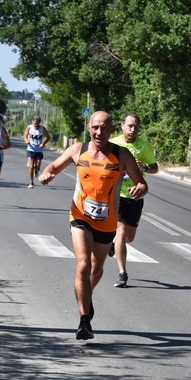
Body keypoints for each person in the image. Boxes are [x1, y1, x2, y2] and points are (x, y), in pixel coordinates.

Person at [39, 110, 148, 340]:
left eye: (104, 128)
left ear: (111, 130)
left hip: (107, 222)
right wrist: (46, 174)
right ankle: (84, 320)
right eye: (95, 127)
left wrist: (140, 188)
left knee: (96, 269)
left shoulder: (122, 154)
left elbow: (141, 182)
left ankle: (86, 297)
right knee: (82, 265)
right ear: (89, 128)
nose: (99, 132)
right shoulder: (78, 149)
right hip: (80, 215)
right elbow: (53, 166)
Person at [109, 113, 158, 287]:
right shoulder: (113, 144)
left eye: (136, 126)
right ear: (122, 126)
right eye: (129, 125)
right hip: (117, 195)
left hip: (136, 195)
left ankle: (114, 243)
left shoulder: (144, 146)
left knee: (129, 237)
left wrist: (143, 167)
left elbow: (154, 168)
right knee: (120, 232)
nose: (133, 129)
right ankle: (122, 273)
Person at [24, 116, 50, 188]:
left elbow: (48, 137)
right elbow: (25, 135)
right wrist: (26, 140)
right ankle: (31, 183)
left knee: (37, 167)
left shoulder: (42, 129)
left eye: (37, 124)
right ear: (32, 122)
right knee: (31, 167)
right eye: (35, 123)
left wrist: (43, 144)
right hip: (30, 149)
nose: (36, 125)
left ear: (39, 123)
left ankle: (36, 171)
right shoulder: (29, 127)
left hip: (38, 150)